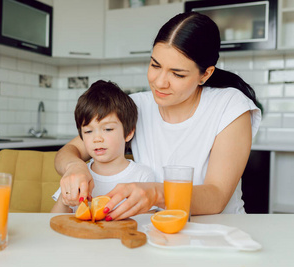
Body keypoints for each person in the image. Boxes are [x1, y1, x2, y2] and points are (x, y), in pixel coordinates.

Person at [54, 12, 262, 220]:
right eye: (155, 65)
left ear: (205, 74)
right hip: (156, 232)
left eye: (177, 74)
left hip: (221, 231)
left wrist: (156, 194)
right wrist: (75, 166)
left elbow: (216, 196)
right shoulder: (136, 106)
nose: (160, 82)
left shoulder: (230, 106)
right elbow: (70, 151)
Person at [50, 80, 154, 213]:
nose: (97, 139)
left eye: (108, 129)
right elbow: (53, 219)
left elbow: (148, 222)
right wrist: (65, 200)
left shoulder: (142, 176)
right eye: (88, 131)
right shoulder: (79, 175)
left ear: (128, 133)